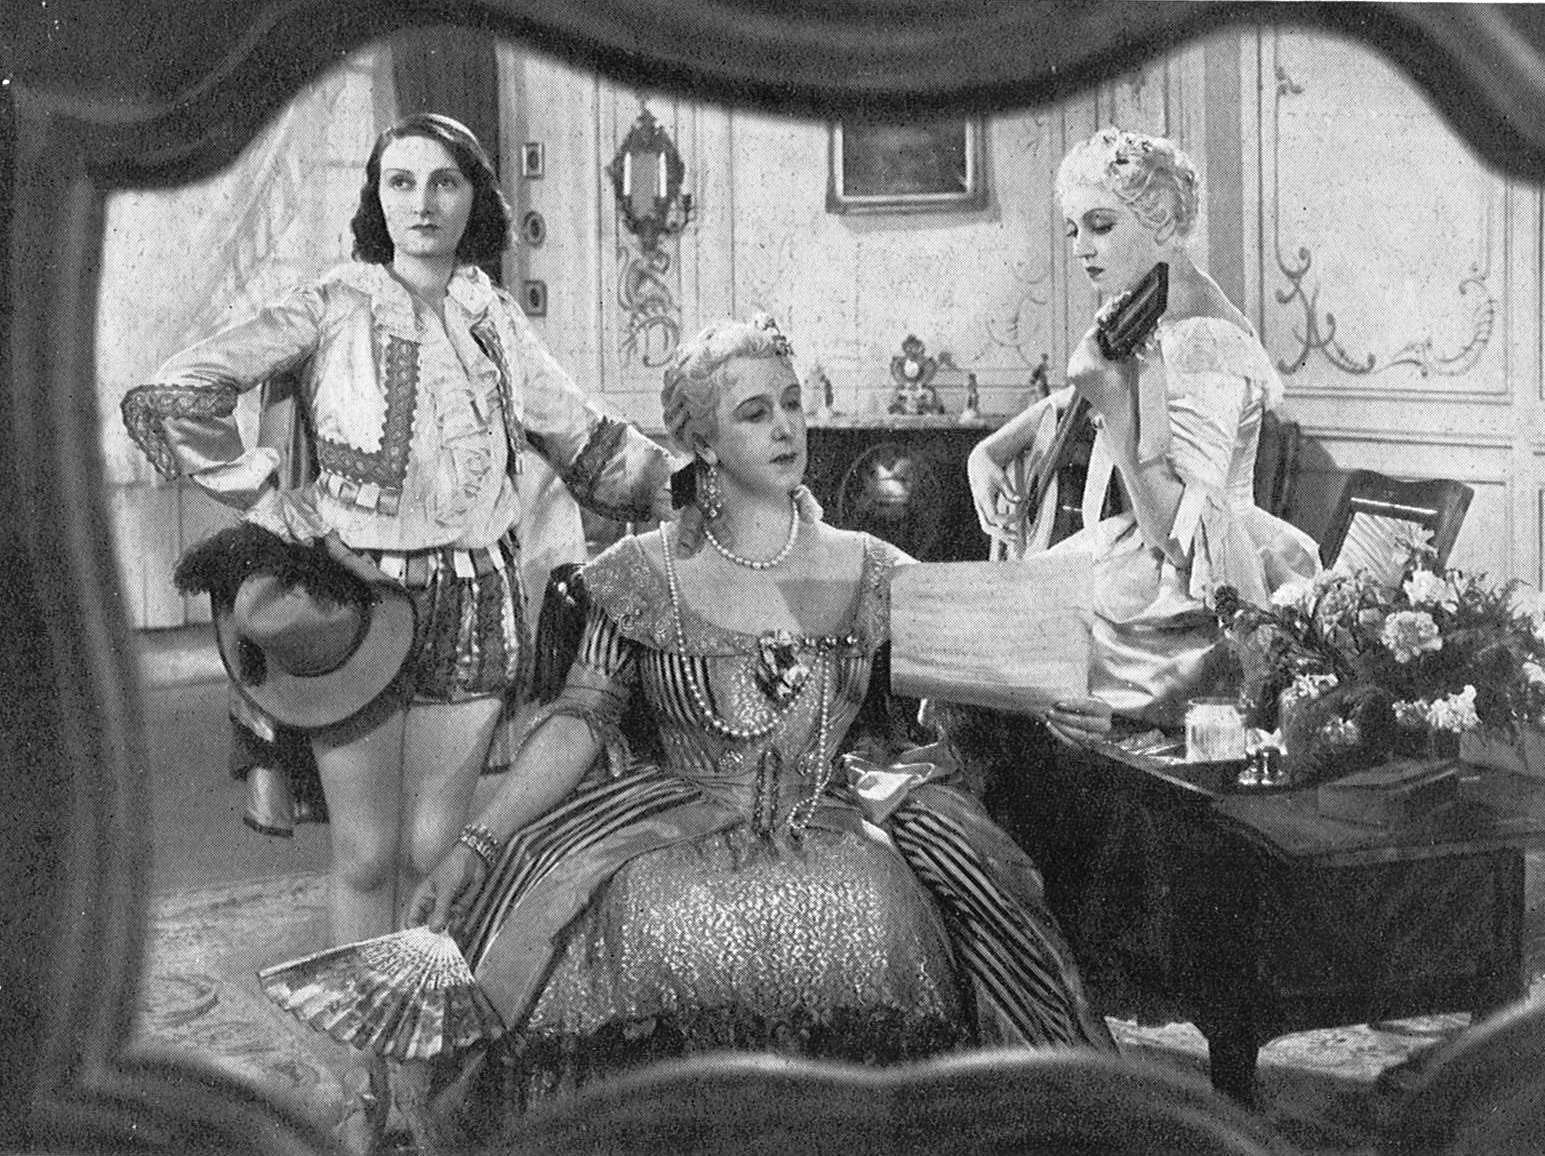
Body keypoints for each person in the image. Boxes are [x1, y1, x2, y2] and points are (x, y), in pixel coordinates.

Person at [407, 314, 1111, 1141]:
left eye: (792, 404)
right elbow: (581, 719)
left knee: (874, 906)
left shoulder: (867, 565)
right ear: (703, 443)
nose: (785, 428)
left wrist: (1052, 700)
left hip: (828, 814)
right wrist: (476, 844)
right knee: (643, 911)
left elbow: (988, 660)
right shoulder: (643, 572)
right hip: (668, 821)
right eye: (754, 413)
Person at [120, 112, 672, 1147]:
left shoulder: (491, 314)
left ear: (474, 198)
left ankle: (414, 1085)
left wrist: (679, 476)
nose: (422, 203)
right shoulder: (332, 301)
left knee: (433, 850)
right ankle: (362, 1086)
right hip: (355, 609)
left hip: (474, 597)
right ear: (376, 199)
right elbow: (177, 391)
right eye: (400, 183)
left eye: (444, 182)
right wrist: (268, 497)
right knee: (369, 854)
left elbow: (586, 437)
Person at [967, 126, 1320, 744]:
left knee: (984, 650)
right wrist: (989, 450)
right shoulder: (1147, 302)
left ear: (1161, 223)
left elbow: (1186, 536)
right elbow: (1077, 394)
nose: (1081, 248)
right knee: (977, 636)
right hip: (1140, 555)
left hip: (1197, 594)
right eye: (1073, 230)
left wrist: (1114, 409)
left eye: (1101, 226)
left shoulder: (1205, 337)